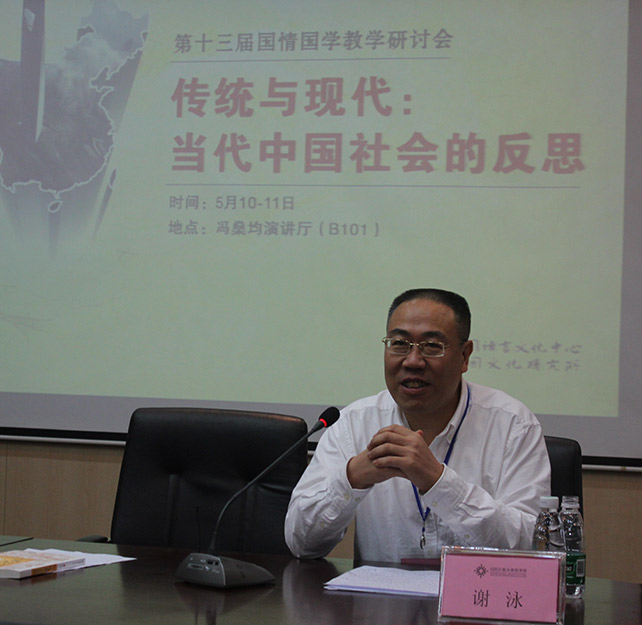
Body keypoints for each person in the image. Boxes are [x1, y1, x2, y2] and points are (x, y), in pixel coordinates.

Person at [284, 288, 550, 562]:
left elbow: (533, 548)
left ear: (464, 356)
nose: (412, 361)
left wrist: (438, 482)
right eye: (399, 343)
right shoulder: (353, 424)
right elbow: (301, 543)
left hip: (478, 590)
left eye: (432, 346)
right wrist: (351, 478)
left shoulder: (513, 425)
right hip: (379, 592)